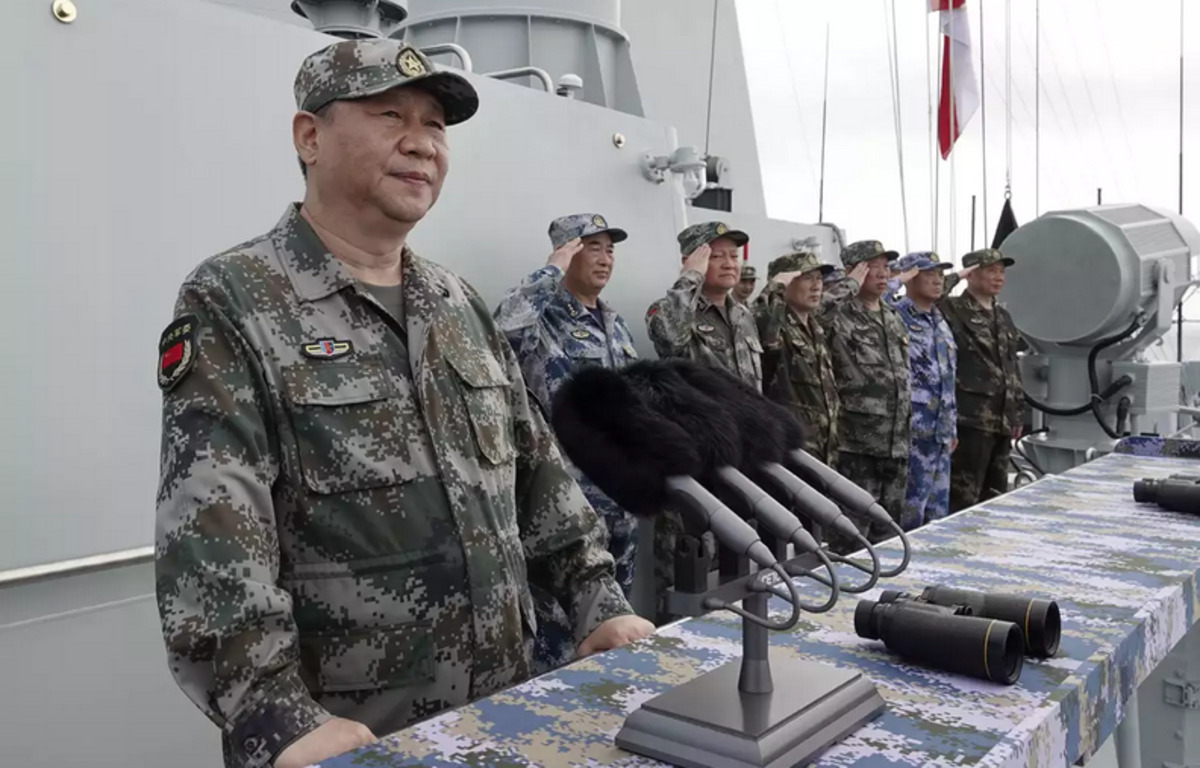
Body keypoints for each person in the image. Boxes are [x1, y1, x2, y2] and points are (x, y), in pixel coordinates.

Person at [153, 40, 652, 768]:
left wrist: (596, 602)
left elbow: (538, 475)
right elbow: (212, 525)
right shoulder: (234, 299)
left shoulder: (458, 303)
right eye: (390, 115)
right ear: (310, 137)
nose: (421, 143)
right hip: (349, 738)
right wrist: (274, 714)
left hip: (504, 716)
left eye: (436, 125)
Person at [493, 213, 641, 672]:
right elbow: (504, 331)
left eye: (610, 248)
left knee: (617, 625)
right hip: (566, 506)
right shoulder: (544, 318)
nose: (604, 258)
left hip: (620, 498)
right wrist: (551, 270)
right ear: (567, 253)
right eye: (591, 247)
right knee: (559, 635)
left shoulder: (615, 325)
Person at [820, 240, 912, 539]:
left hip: (896, 442)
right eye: (873, 267)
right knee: (851, 535)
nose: (883, 274)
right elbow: (814, 315)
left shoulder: (892, 316)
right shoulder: (838, 313)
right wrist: (847, 285)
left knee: (889, 532)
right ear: (854, 271)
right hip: (856, 444)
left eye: (886, 267)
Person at [940, 248, 1025, 511]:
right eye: (991, 271)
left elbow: (1012, 368)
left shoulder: (1004, 317)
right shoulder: (954, 309)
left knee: (996, 495)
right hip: (971, 419)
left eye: (1001, 272)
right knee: (964, 497)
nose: (998, 277)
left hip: (1002, 419)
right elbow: (929, 295)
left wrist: (1018, 412)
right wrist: (956, 276)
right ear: (972, 275)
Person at [645, 221, 763, 390]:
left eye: (734, 256)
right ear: (690, 262)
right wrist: (690, 275)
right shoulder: (667, 311)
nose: (729, 264)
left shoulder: (744, 315)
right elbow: (670, 340)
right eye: (716, 256)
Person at [887, 252, 958, 528]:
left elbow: (947, 377)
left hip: (940, 434)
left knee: (938, 515)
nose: (938, 280)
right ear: (911, 278)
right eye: (929, 274)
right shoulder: (896, 314)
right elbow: (869, 303)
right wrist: (898, 280)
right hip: (913, 432)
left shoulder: (940, 320)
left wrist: (952, 428)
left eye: (940, 275)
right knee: (909, 515)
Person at [754, 250, 840, 465]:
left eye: (819, 278)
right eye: (806, 278)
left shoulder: (816, 328)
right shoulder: (775, 327)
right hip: (794, 451)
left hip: (826, 448)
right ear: (784, 285)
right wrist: (774, 287)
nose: (816, 286)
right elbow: (760, 318)